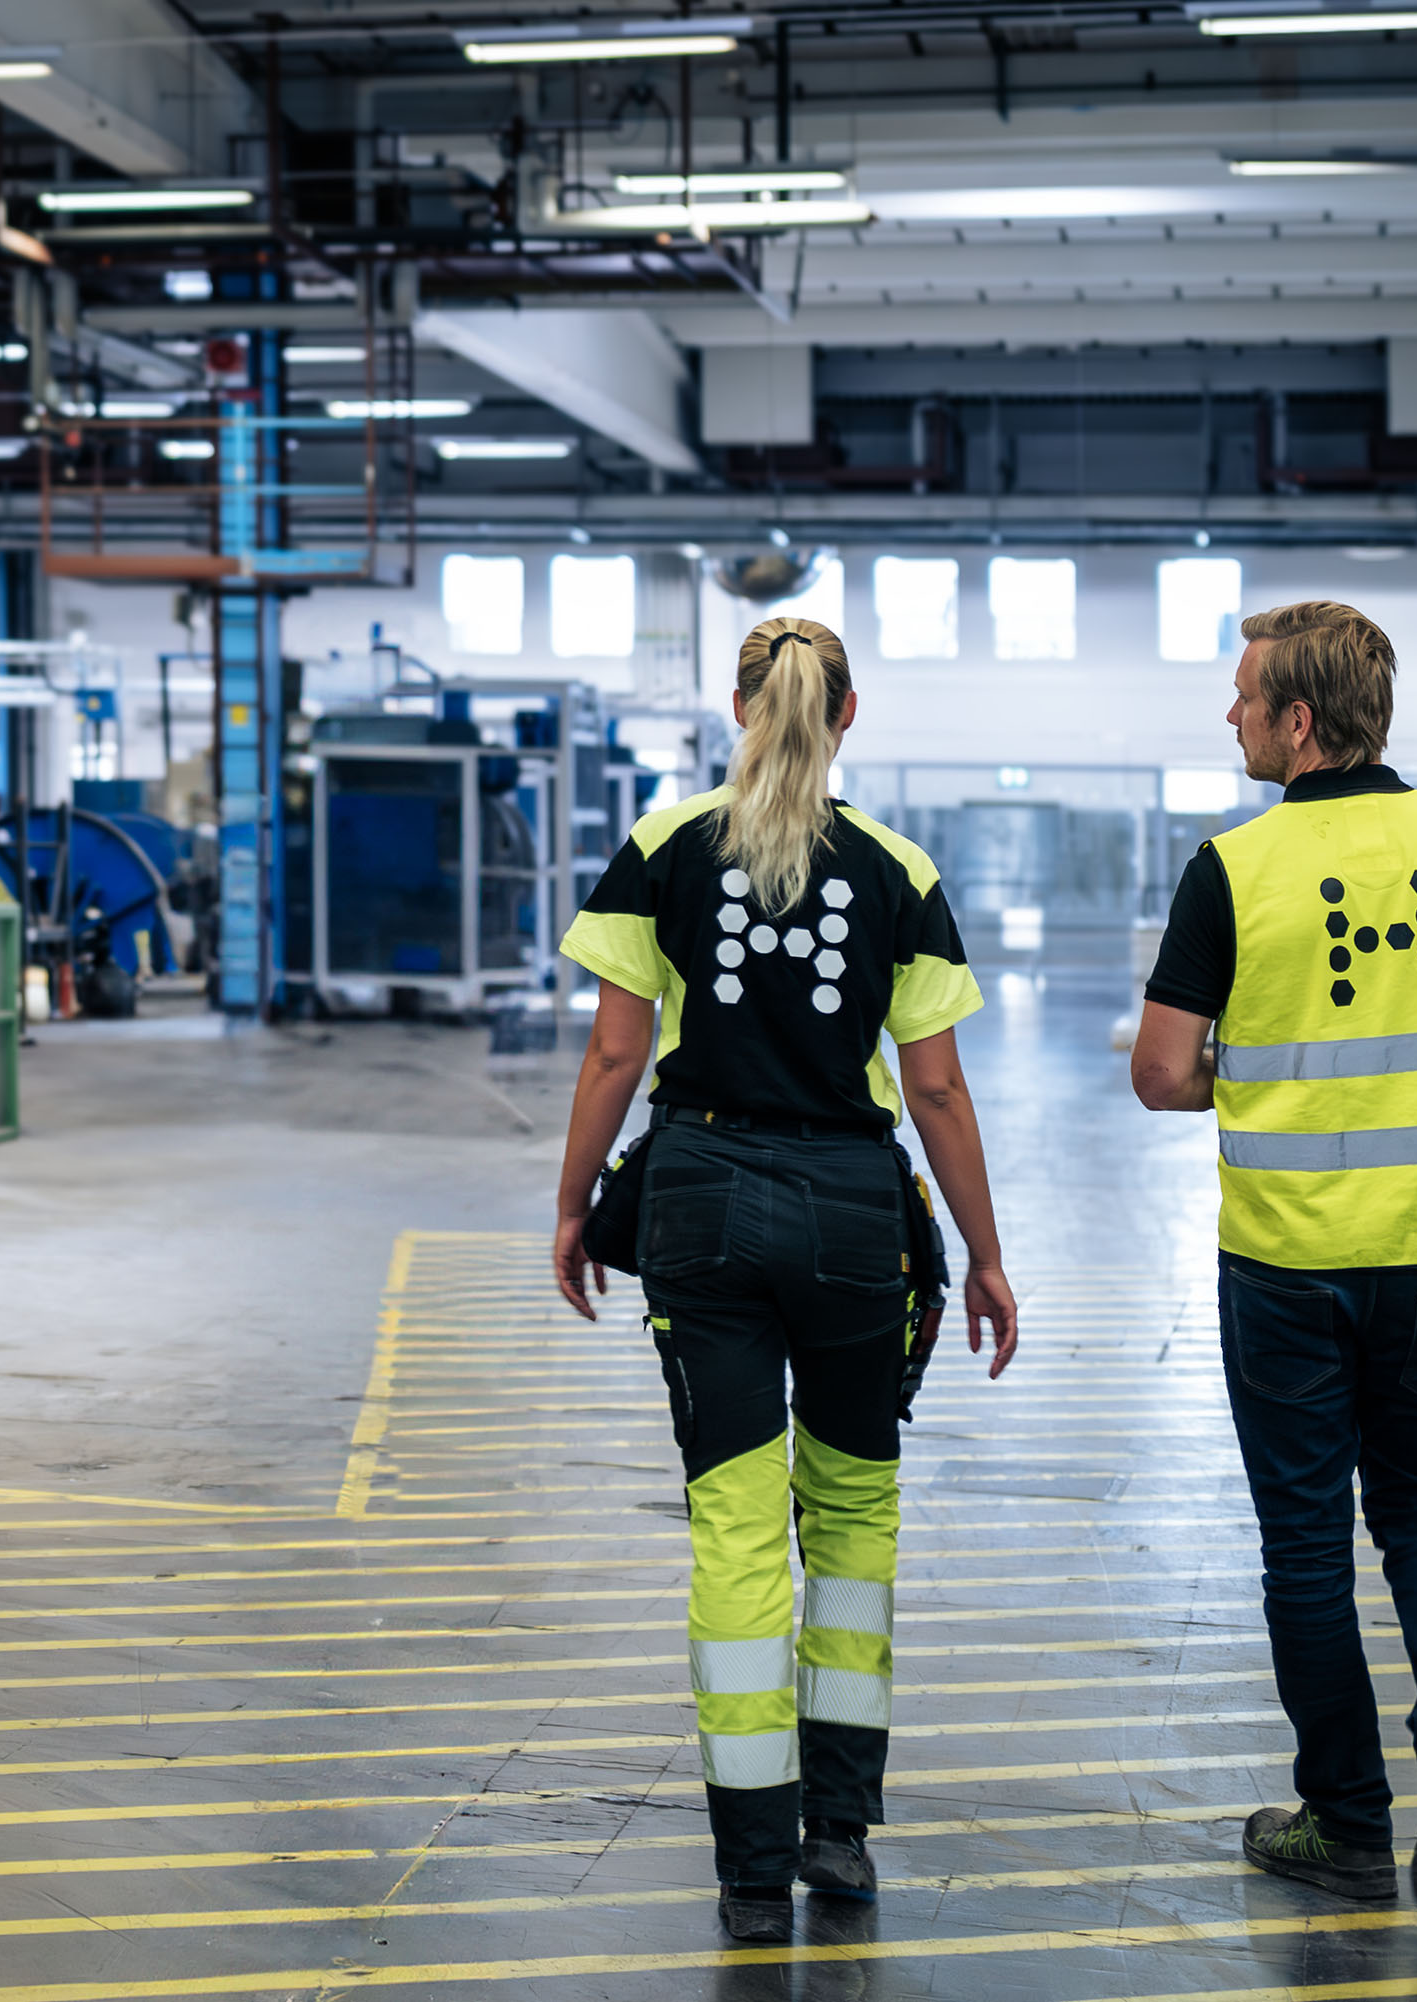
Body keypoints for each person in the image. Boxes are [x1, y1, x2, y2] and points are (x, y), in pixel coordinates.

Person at [552, 614, 1019, 1944]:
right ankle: (843, 1836)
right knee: (855, 1522)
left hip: (700, 1197)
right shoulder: (897, 867)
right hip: (851, 1211)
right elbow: (933, 1084)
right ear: (847, 713)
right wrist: (984, 1255)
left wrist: (576, 1203)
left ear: (735, 705)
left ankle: (753, 1862)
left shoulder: (662, 848)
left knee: (738, 1530)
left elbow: (612, 1057)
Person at [1130, 600, 1417, 1916]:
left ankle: (1345, 1821)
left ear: (1300, 722)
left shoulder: (1236, 867)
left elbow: (1163, 1071)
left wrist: (1264, 1072)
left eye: (1244, 696)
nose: (1230, 716)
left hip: (1290, 1261)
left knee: (1308, 1545)